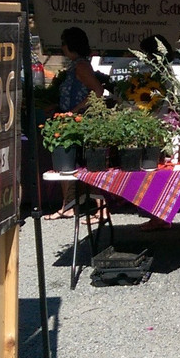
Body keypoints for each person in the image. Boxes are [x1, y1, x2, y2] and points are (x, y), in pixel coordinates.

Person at [47, 26, 104, 220]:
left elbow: (97, 91)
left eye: (64, 43)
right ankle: (70, 204)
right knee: (72, 165)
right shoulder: (76, 65)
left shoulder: (81, 66)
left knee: (85, 164)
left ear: (71, 45)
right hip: (71, 120)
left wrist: (75, 110)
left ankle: (99, 208)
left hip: (80, 121)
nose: (62, 47)